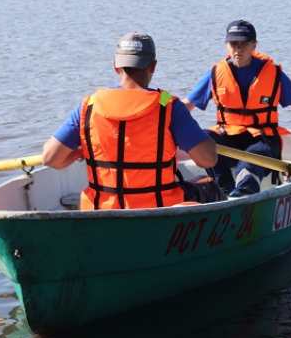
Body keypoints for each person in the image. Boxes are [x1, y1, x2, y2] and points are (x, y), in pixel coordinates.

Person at [182, 20, 291, 198]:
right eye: (233, 44)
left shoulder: (274, 74)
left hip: (264, 140)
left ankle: (244, 193)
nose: (238, 49)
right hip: (229, 138)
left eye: (244, 43)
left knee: (252, 156)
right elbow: (183, 109)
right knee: (203, 139)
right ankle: (224, 190)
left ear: (254, 45)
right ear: (227, 45)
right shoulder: (215, 74)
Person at [42, 32, 221, 210]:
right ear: (153, 66)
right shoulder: (168, 106)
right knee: (208, 185)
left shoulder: (88, 106)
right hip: (160, 209)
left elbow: (50, 159)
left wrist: (80, 153)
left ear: (115, 66)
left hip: (100, 210)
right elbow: (207, 160)